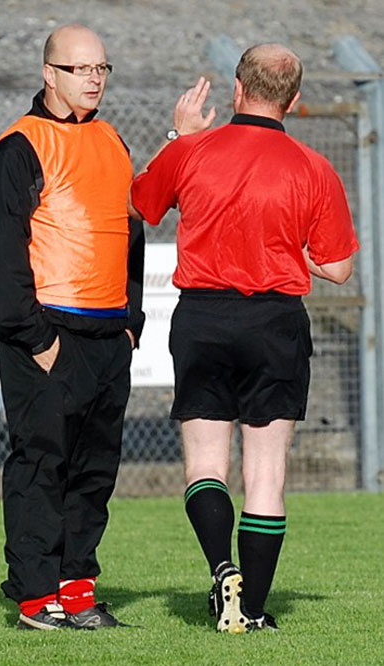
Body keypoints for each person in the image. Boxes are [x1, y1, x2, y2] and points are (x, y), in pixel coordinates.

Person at [129, 43, 359, 634]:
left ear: (237, 89)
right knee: (265, 476)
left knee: (205, 465)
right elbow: (338, 270)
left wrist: (179, 137)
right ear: (294, 100)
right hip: (275, 323)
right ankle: (252, 610)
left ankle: (221, 567)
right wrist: (287, 245)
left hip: (203, 317)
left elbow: (143, 204)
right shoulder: (313, 167)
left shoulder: (195, 151)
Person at [0, 23, 145, 631]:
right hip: (48, 334)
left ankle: (77, 588)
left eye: (102, 68)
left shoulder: (113, 140)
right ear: (50, 73)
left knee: (95, 470)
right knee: (41, 463)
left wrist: (132, 320)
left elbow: (130, 232)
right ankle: (33, 595)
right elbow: (2, 253)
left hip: (108, 337)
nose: (95, 79)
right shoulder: (19, 146)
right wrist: (34, 337)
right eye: (82, 69)